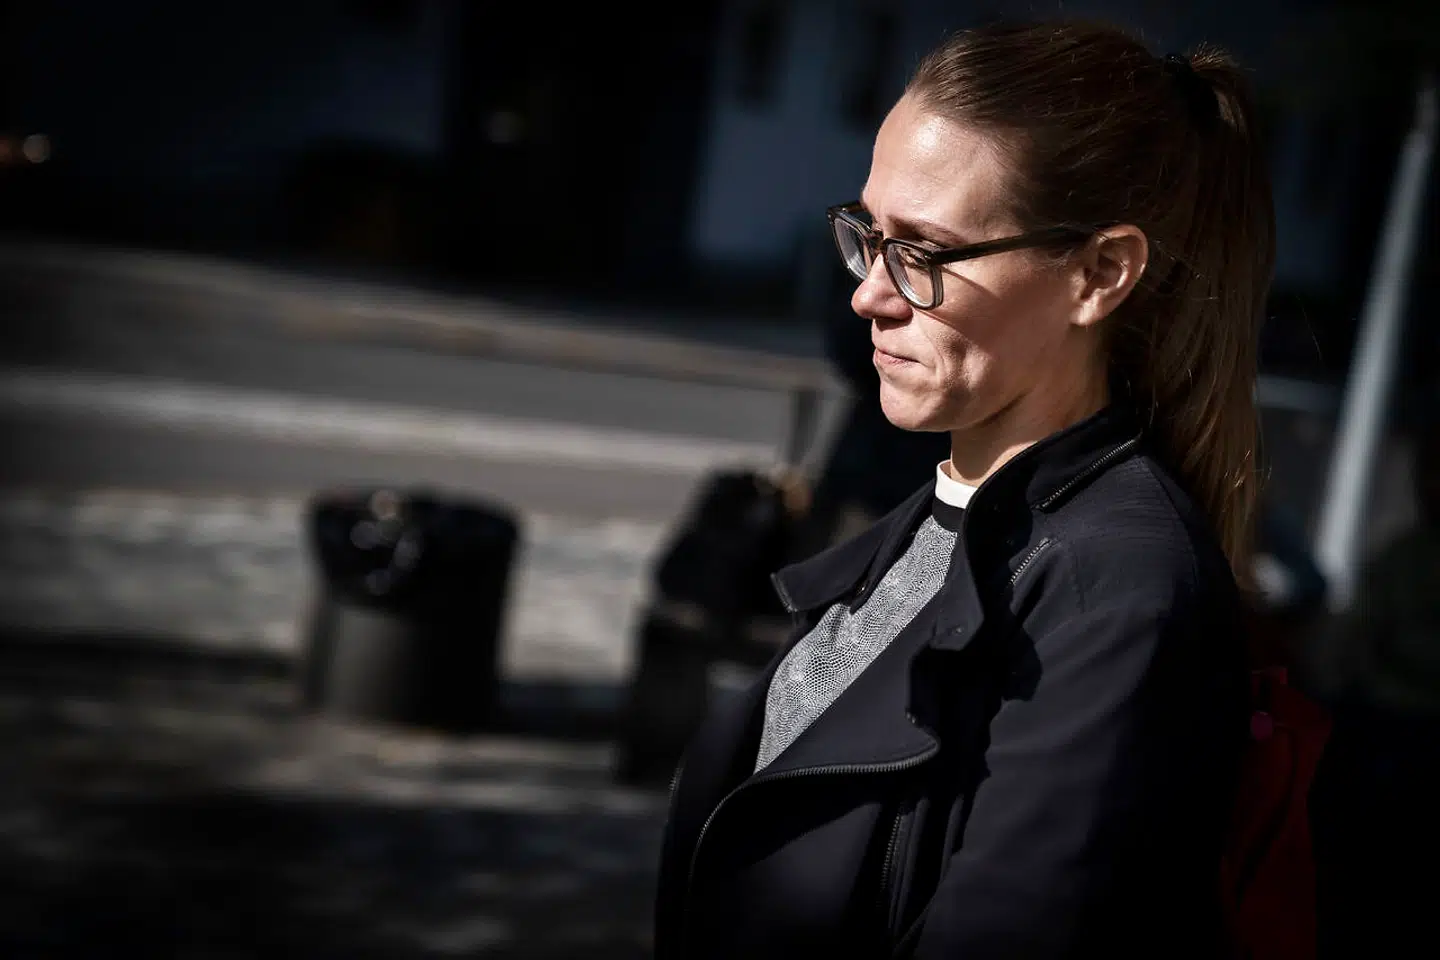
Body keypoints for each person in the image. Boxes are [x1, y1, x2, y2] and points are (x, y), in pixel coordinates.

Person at [654, 19, 1273, 958]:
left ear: (1100, 273)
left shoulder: (1120, 592)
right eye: (869, 234)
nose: (869, 294)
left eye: (925, 253)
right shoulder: (946, 518)